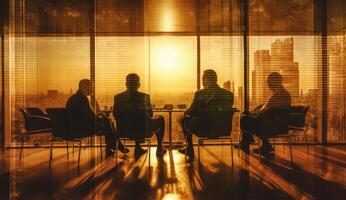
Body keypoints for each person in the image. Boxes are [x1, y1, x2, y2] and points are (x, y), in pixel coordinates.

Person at [178, 69, 234, 159]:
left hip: (204, 130)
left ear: (206, 79)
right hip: (223, 129)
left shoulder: (200, 94)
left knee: (184, 119)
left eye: (203, 79)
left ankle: (189, 148)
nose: (202, 81)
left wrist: (186, 112)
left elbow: (192, 111)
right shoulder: (228, 94)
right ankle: (189, 148)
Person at [66, 79, 128, 158]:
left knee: (107, 123)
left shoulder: (72, 98)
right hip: (83, 129)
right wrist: (102, 117)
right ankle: (115, 146)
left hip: (75, 128)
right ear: (83, 87)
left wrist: (102, 117)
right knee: (108, 122)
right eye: (91, 87)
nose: (92, 89)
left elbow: (87, 116)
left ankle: (114, 146)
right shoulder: (83, 98)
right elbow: (91, 116)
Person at [113, 73, 167, 158]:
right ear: (138, 84)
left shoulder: (118, 97)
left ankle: (138, 148)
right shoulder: (144, 97)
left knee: (134, 121)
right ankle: (160, 146)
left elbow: (116, 115)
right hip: (143, 131)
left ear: (126, 84)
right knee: (160, 118)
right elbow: (150, 114)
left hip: (124, 131)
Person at [239, 72, 291, 155]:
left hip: (271, 125)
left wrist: (251, 113)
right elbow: (267, 109)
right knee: (246, 116)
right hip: (272, 123)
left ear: (274, 82)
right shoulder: (283, 94)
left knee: (245, 117)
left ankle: (246, 141)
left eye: (268, 82)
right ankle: (262, 144)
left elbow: (265, 112)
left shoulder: (278, 95)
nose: (267, 84)